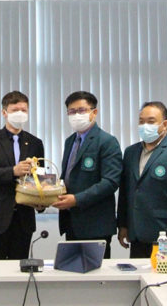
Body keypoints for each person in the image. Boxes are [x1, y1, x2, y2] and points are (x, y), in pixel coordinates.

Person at [117, 101, 167, 257]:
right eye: (141, 121)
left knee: (166, 274)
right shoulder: (130, 152)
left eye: (151, 122)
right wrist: (123, 225)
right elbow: (125, 192)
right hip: (136, 233)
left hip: (166, 235)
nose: (145, 126)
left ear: (164, 125)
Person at [0, 91, 44, 260]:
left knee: (19, 269)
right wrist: (12, 171)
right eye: (15, 110)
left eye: (24, 110)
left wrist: (41, 201)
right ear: (4, 112)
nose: (20, 113)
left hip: (23, 218)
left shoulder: (35, 143)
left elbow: (39, 177)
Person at [55, 91, 122, 258]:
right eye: (72, 111)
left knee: (96, 272)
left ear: (94, 112)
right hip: (71, 221)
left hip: (95, 224)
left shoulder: (107, 141)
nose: (76, 115)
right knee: (71, 270)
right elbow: (67, 177)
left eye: (81, 110)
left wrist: (77, 199)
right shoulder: (70, 141)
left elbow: (110, 182)